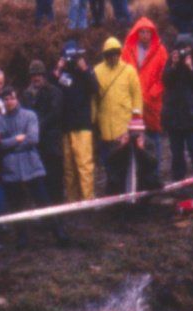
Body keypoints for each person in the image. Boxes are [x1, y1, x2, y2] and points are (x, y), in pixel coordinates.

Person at [0, 87, 67, 245]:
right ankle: (22, 236)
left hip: (32, 164)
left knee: (43, 201)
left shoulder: (30, 115)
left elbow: (33, 139)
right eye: (6, 99)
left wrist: (13, 147)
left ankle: (58, 232)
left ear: (17, 98)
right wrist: (17, 140)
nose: (9, 102)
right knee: (16, 204)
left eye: (12, 98)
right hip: (11, 169)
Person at [93, 36, 146, 193]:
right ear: (105, 55)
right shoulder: (96, 71)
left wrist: (136, 122)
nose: (113, 57)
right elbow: (93, 99)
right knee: (108, 166)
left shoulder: (129, 71)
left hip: (124, 130)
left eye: (116, 53)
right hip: (104, 129)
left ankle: (127, 194)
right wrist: (92, 119)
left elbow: (137, 96)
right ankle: (113, 193)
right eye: (110, 54)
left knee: (125, 166)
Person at [54, 45, 97, 202]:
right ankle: (72, 201)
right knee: (69, 168)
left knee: (84, 166)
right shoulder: (63, 75)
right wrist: (58, 68)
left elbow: (95, 88)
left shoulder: (87, 71)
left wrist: (84, 68)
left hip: (83, 126)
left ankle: (87, 200)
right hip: (66, 127)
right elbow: (51, 87)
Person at [163, 39, 193, 178]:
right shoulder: (172, 60)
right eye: (182, 48)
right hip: (174, 113)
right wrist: (174, 65)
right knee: (176, 152)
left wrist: (191, 68)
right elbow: (165, 81)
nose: (185, 52)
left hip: (192, 114)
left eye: (187, 48)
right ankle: (179, 181)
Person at [23, 61, 67, 203]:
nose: (36, 78)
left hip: (52, 145)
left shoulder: (55, 92)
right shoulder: (26, 95)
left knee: (55, 183)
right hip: (34, 148)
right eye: (33, 75)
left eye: (39, 74)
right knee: (39, 185)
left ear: (44, 75)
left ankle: (58, 217)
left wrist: (36, 126)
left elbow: (55, 114)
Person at [126, 17, 170, 152]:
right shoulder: (128, 50)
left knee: (154, 136)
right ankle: (137, 170)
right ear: (136, 33)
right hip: (132, 102)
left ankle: (155, 171)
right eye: (142, 32)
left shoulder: (161, 51)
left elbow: (164, 76)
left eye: (147, 32)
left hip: (152, 102)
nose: (145, 35)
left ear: (152, 33)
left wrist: (151, 94)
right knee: (133, 136)